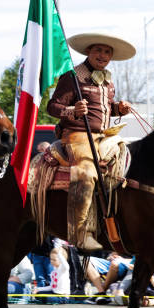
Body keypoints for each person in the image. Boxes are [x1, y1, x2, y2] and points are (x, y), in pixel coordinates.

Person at [47, 32, 135, 251]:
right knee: (86, 172)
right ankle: (80, 233)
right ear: (88, 51)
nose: (102, 55)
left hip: (104, 135)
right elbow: (52, 107)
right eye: (98, 50)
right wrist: (72, 111)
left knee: (130, 160)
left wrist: (118, 109)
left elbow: (104, 107)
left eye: (107, 52)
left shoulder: (108, 81)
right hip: (76, 136)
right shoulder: (72, 77)